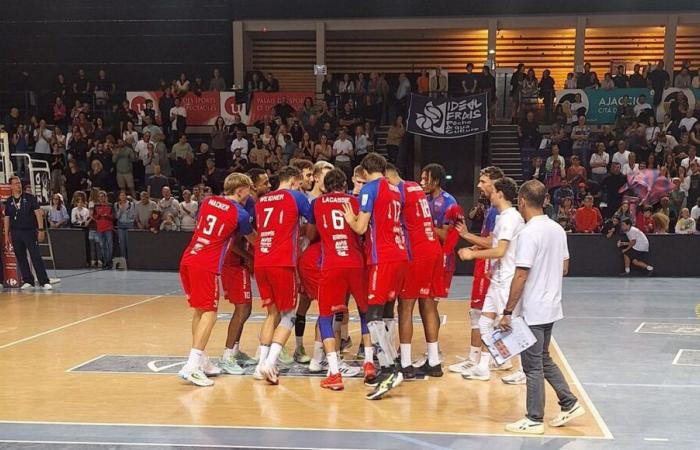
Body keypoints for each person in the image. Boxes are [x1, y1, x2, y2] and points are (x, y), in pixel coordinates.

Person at [499, 180, 585, 435]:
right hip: (551, 306)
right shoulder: (557, 229)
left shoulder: (527, 233)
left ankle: (534, 418)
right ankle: (568, 403)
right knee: (543, 358)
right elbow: (564, 267)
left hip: (533, 309)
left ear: (522, 201)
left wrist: (506, 312)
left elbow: (521, 275)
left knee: (532, 366)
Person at [178, 173, 256, 387]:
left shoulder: (207, 201)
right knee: (211, 314)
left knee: (200, 311)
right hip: (206, 264)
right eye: (248, 190)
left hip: (189, 257)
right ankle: (192, 366)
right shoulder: (240, 213)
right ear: (240, 191)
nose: (250, 194)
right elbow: (253, 239)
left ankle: (201, 361)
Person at [342, 153, 409, 400]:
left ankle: (390, 370)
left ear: (364, 173)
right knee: (385, 314)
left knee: (372, 316)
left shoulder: (370, 188)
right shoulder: (395, 189)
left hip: (383, 257)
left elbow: (361, 227)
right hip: (400, 255)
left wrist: (351, 219)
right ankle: (391, 367)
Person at [307, 168, 374, 390]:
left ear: (326, 186)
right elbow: (364, 230)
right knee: (365, 313)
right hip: (356, 263)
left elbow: (311, 234)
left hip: (331, 264)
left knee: (326, 317)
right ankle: (369, 363)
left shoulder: (317, 204)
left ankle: (334, 373)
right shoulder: (354, 201)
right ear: (345, 184)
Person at [458, 177, 524, 384]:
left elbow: (501, 250)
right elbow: (494, 245)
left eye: (492, 190)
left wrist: (472, 255)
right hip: (498, 277)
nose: (489, 193)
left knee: (510, 326)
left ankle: (522, 369)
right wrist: (491, 266)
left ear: (500, 194)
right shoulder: (502, 217)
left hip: (507, 280)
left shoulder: (510, 218)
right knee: (485, 322)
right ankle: (483, 367)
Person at [253, 166, 315, 385]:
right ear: (292, 181)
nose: (300, 187)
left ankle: (260, 363)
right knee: (288, 315)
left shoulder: (262, 200)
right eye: (299, 184)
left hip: (261, 260)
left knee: (272, 314)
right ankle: (270, 362)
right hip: (282, 261)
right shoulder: (295, 196)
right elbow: (313, 217)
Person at [385, 164, 444, 379]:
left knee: (405, 307)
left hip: (416, 251)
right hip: (433, 248)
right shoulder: (415, 187)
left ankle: (406, 363)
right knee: (427, 305)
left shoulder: (397, 191)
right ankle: (434, 361)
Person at [450, 167, 503, 377]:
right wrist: (476, 245)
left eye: (483, 181)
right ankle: (497, 358)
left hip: (490, 266)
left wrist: (466, 236)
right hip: (487, 262)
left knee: (480, 313)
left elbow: (493, 242)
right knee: (487, 313)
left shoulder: (498, 211)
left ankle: (476, 359)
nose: (479, 185)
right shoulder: (491, 208)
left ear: (495, 183)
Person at [218, 169, 271, 375]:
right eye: (264, 183)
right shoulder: (242, 208)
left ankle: (235, 349)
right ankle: (227, 356)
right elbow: (234, 242)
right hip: (233, 262)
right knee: (242, 309)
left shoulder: (250, 205)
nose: (268, 186)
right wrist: (252, 257)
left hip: (239, 260)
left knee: (245, 309)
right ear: (250, 188)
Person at [3, 176, 51, 290]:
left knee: (35, 256)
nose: (18, 185)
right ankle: (28, 280)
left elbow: (38, 213)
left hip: (29, 231)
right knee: (21, 256)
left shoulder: (29, 198)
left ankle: (44, 281)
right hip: (15, 232)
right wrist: (6, 235)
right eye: (15, 183)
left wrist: (40, 229)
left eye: (19, 183)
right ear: (10, 186)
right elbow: (7, 218)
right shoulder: (9, 201)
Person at [114, 191, 136, 269]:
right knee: (122, 244)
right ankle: (123, 262)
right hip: (120, 226)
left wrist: (126, 211)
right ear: (119, 197)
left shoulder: (131, 204)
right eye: (121, 195)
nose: (122, 197)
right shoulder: (116, 204)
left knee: (128, 243)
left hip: (129, 225)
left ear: (126, 196)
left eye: (124, 195)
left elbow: (132, 216)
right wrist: (121, 209)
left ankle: (130, 260)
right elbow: (116, 216)